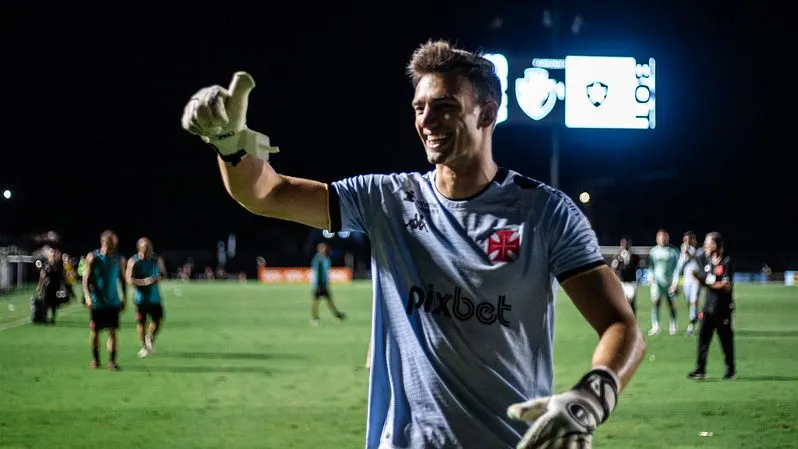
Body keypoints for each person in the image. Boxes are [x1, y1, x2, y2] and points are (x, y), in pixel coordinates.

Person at [181, 40, 645, 449]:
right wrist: (229, 146)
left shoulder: (546, 213)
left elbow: (621, 326)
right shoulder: (388, 200)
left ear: (487, 112)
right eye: (419, 107)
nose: (427, 120)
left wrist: (591, 397)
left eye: (444, 106)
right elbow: (266, 194)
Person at [688, 232, 736, 380]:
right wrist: (698, 278)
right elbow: (706, 283)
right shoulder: (708, 262)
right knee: (703, 339)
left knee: (726, 340)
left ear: (715, 245)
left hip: (722, 309)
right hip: (708, 308)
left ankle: (730, 369)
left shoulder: (726, 262)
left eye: (707, 243)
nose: (705, 246)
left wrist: (708, 283)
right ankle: (700, 369)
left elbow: (726, 286)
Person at [83, 230, 127, 370]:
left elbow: (123, 280)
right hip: (97, 302)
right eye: (110, 244)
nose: (112, 247)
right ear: (103, 242)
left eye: (114, 244)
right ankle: (96, 359)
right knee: (95, 331)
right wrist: (87, 297)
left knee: (112, 331)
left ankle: (112, 362)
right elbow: (85, 279)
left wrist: (124, 298)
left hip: (113, 302)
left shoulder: (118, 259)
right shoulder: (93, 257)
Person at [126, 237, 167, 358]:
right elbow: (129, 280)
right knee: (141, 323)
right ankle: (144, 345)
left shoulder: (156, 259)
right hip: (141, 298)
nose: (147, 252)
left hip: (155, 298)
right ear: (140, 249)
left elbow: (164, 274)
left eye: (149, 249)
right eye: (145, 250)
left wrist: (159, 278)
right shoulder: (134, 261)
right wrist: (144, 282)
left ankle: (150, 337)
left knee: (158, 321)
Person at [647, 229, 680, 336]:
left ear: (667, 238)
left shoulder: (673, 251)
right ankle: (655, 326)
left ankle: (673, 324)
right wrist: (650, 277)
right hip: (657, 282)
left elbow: (676, 269)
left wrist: (675, 282)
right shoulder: (653, 251)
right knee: (656, 302)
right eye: (660, 237)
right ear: (657, 239)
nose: (662, 239)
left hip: (669, 282)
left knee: (671, 304)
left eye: (664, 237)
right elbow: (651, 267)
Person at [672, 231, 702, 335]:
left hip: (697, 281)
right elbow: (679, 267)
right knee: (690, 302)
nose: (687, 242)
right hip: (687, 280)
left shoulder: (699, 251)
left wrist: (690, 253)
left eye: (689, 240)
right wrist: (675, 283)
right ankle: (700, 316)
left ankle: (691, 326)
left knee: (694, 301)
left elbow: (698, 259)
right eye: (685, 240)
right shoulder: (683, 253)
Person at [309, 242, 346, 326]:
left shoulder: (326, 258)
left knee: (329, 301)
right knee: (315, 302)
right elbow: (317, 272)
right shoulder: (318, 259)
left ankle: (336, 314)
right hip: (318, 285)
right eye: (322, 248)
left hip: (324, 284)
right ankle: (314, 318)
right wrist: (318, 284)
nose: (324, 249)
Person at [610, 237, 641, 316]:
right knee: (622, 303)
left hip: (631, 282)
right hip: (622, 282)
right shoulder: (618, 256)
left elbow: (638, 267)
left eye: (626, 243)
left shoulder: (634, 256)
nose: (625, 245)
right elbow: (614, 269)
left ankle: (633, 319)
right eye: (623, 243)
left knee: (631, 301)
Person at [37, 248, 66, 324]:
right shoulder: (47, 265)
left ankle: (52, 318)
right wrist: (40, 287)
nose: (53, 256)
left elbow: (62, 277)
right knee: (46, 303)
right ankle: (44, 317)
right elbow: (42, 276)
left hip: (55, 286)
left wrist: (62, 287)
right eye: (52, 255)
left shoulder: (58, 265)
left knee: (54, 303)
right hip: (48, 286)